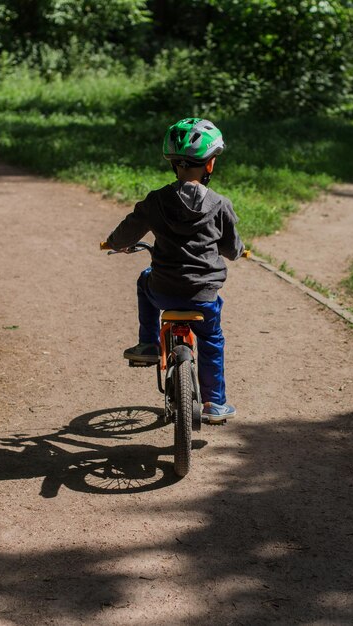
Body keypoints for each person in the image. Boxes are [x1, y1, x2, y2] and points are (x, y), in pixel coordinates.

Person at [106, 117, 244, 423]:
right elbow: (232, 248)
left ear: (174, 166)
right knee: (211, 341)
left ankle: (148, 344)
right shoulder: (220, 205)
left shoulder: (156, 201)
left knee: (144, 279)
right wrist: (236, 251)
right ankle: (215, 404)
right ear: (210, 166)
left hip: (164, 291)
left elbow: (127, 233)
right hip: (203, 296)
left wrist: (113, 243)